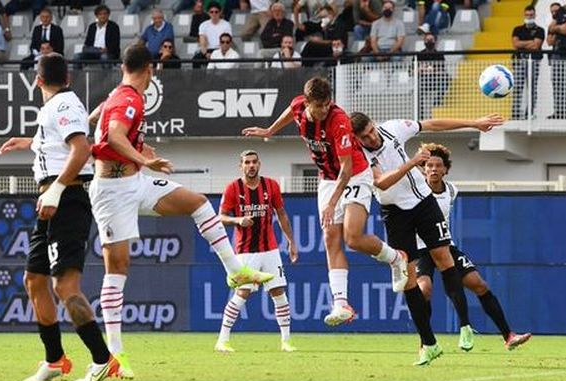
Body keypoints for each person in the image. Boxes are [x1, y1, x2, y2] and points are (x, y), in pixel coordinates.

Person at [88, 44, 273, 378]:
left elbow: (105, 131)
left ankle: (235, 271)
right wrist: (145, 159)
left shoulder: (119, 95)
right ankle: (115, 355)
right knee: (117, 271)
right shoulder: (128, 99)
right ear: (149, 68)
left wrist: (142, 153)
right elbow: (114, 136)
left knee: (199, 203)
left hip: (136, 182)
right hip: (113, 192)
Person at [242, 77, 409, 326]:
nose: (323, 110)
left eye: (326, 105)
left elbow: (346, 168)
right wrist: (270, 131)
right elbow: (291, 111)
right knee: (331, 238)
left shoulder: (339, 122)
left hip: (355, 175)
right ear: (308, 102)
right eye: (318, 106)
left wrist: (332, 203)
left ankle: (396, 258)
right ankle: (341, 303)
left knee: (352, 237)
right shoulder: (300, 105)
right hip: (327, 179)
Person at [0, 53, 119, 381]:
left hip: (64, 198)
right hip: (51, 198)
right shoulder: (56, 105)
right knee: (34, 280)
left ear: (37, 80)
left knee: (65, 286)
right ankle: (55, 360)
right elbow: (57, 144)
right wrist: (29, 142)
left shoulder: (63, 105)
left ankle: (102, 359)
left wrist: (55, 191)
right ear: (67, 76)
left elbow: (81, 149)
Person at [350, 112, 504, 356]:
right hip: (394, 212)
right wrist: (412, 162)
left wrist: (473, 122)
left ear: (374, 123)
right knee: (409, 279)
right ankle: (428, 343)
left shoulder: (392, 128)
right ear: (356, 139)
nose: (371, 138)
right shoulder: (359, 154)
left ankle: (464, 326)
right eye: (364, 137)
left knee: (444, 257)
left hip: (423, 202)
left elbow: (432, 124)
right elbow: (381, 183)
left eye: (371, 130)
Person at [416, 143, 533, 351]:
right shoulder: (415, 190)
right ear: (423, 168)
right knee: (424, 291)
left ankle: (508, 336)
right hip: (421, 249)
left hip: (445, 246)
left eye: (438, 166)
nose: (433, 169)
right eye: (429, 165)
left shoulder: (451, 190)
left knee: (479, 285)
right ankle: (425, 343)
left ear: (445, 170)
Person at [215, 150, 298, 353]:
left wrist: (291, 241)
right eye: (247, 162)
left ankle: (286, 341)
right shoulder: (233, 188)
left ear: (259, 164)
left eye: (254, 162)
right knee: (242, 292)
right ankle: (222, 340)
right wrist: (237, 220)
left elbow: (282, 214)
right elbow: (220, 217)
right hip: (245, 251)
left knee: (279, 292)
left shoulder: (271, 185)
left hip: (270, 249)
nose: (251, 165)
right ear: (241, 166)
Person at [511, 5, 545, 120]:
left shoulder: (540, 30)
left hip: (533, 61)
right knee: (517, 88)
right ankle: (515, 113)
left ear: (535, 15)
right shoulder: (517, 29)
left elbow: (536, 46)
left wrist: (523, 44)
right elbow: (515, 44)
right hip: (519, 61)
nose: (529, 17)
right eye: (527, 15)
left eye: (531, 15)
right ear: (524, 15)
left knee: (532, 88)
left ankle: (529, 112)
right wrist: (530, 42)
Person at [417, 32, 449, 117]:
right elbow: (412, 70)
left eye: (431, 40)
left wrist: (428, 69)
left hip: (436, 80)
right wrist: (423, 70)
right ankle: (421, 115)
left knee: (446, 80)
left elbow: (442, 69)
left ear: (435, 41)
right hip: (422, 81)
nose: (429, 42)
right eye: (427, 40)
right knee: (418, 89)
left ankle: (436, 105)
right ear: (424, 41)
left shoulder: (439, 55)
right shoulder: (419, 55)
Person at [193, 2, 232, 68]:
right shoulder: (203, 25)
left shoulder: (226, 25)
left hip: (221, 50)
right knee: (195, 59)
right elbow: (202, 43)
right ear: (208, 13)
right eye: (212, 12)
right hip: (207, 50)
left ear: (220, 12)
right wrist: (206, 54)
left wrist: (216, 54)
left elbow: (226, 41)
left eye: (216, 12)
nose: (214, 14)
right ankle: (198, 78)